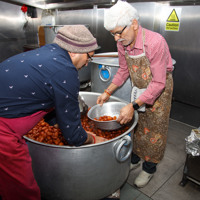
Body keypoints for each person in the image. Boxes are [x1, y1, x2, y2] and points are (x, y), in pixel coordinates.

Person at [0, 25, 104, 200]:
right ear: (75, 51)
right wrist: (93, 138)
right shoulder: (66, 71)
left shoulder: (47, 52)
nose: (87, 63)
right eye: (89, 57)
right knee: (22, 190)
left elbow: (43, 92)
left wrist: (56, 121)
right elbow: (72, 136)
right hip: (3, 134)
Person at [97, 0, 174, 188]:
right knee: (138, 127)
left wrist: (132, 106)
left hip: (159, 92)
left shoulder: (155, 42)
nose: (116, 39)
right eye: (112, 34)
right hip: (139, 90)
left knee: (155, 132)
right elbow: (124, 70)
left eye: (118, 32)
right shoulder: (123, 42)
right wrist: (107, 92)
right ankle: (135, 159)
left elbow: (158, 83)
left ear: (134, 24)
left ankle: (149, 168)